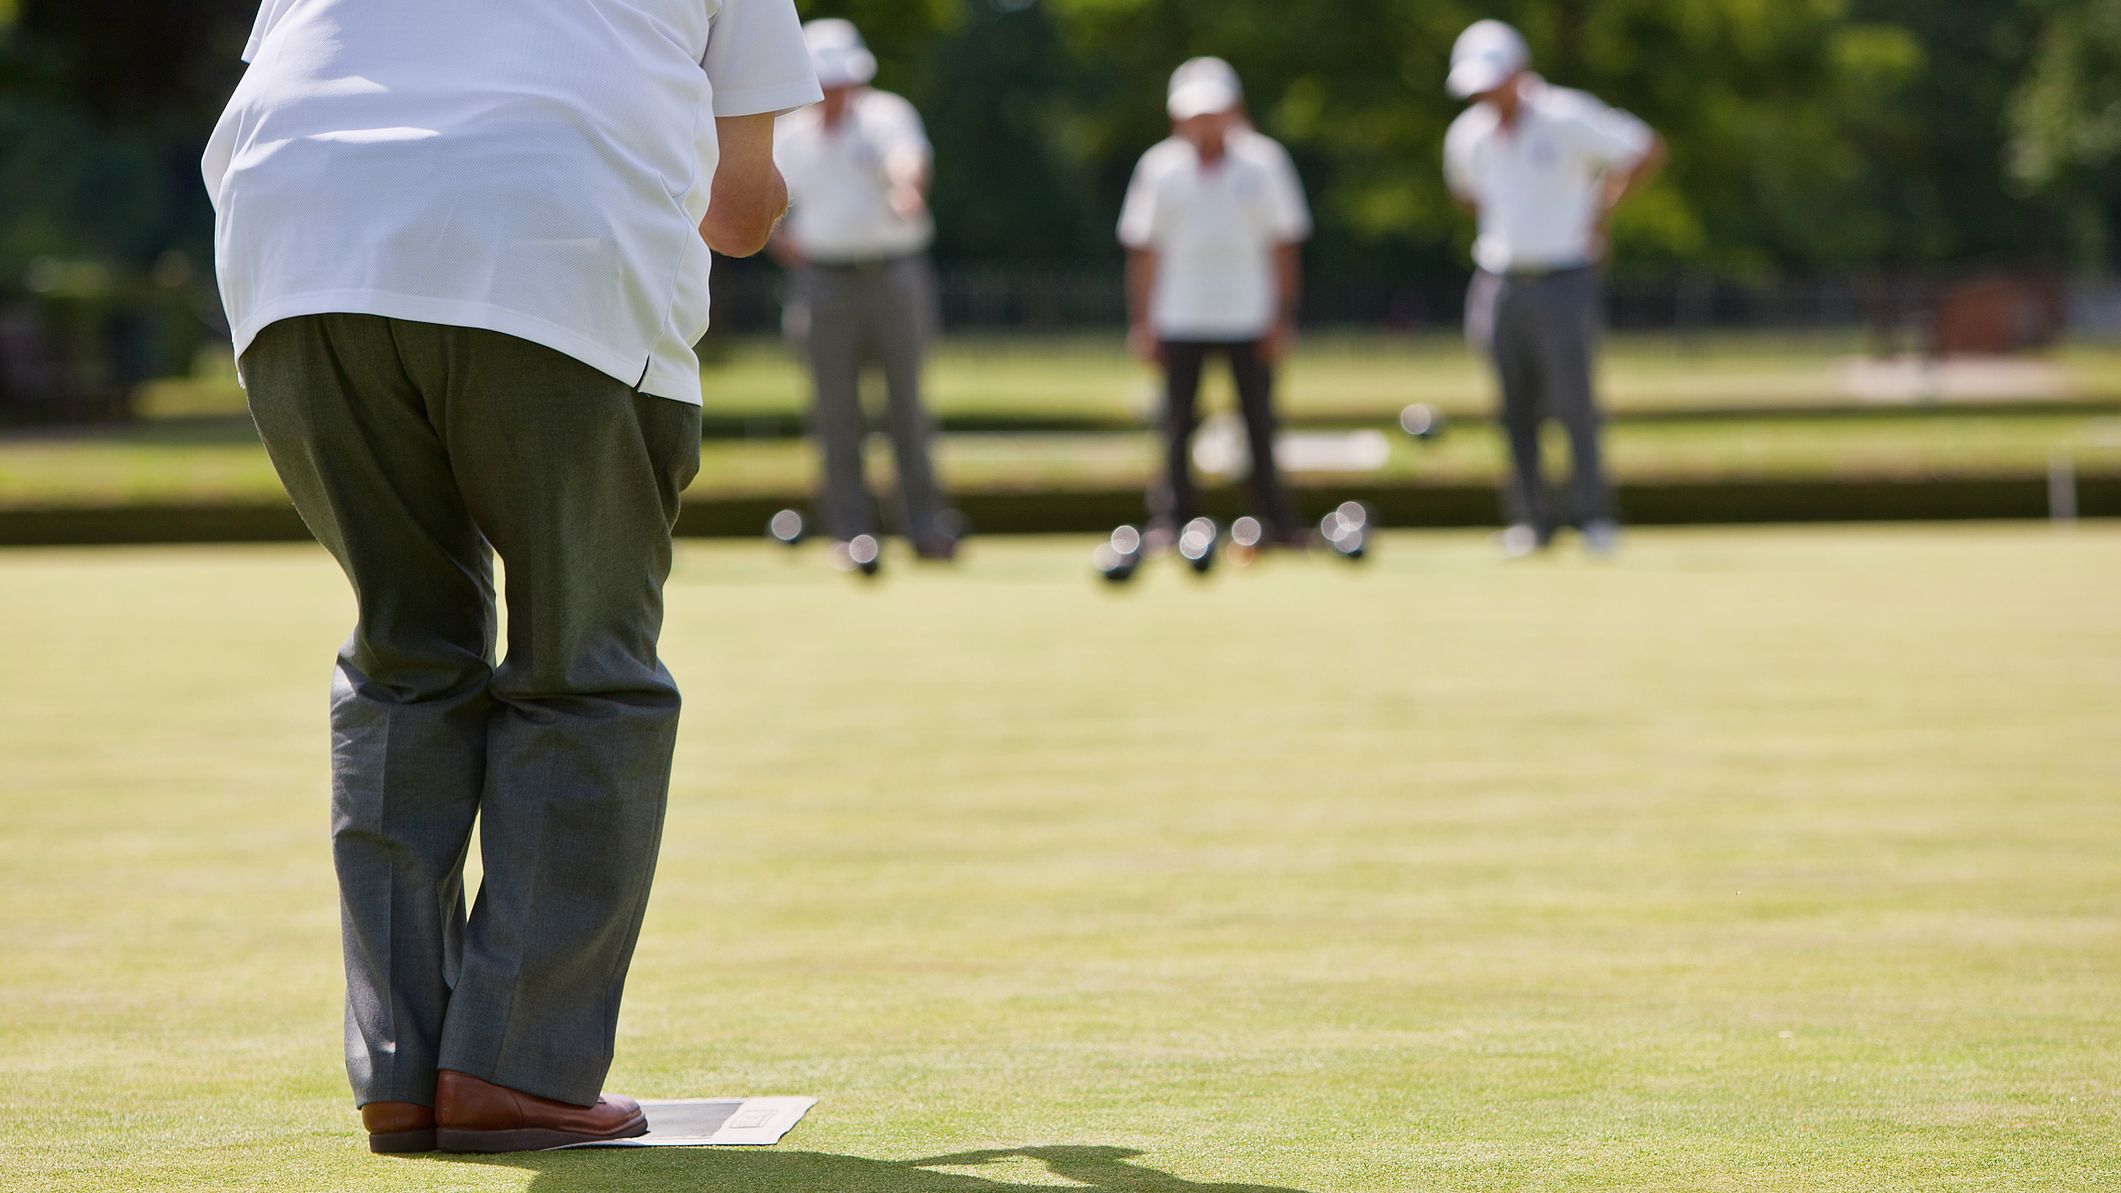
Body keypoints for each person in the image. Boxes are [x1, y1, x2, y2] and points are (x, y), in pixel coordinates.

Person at [201, 0, 818, 1155]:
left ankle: (397, 1067)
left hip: (294, 247)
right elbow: (740, 214)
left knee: (403, 655)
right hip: (549, 243)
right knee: (587, 668)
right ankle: (514, 1068)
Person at [1443, 20, 1665, 557]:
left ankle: (1592, 518)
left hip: (1565, 276)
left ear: (1518, 73)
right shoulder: (1467, 133)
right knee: (1513, 405)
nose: (1483, 94)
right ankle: (1532, 521)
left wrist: (1600, 212)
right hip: (1498, 280)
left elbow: (1643, 148)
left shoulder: (1566, 115)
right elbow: (1467, 195)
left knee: (1574, 403)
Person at [773, 19, 956, 569]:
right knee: (834, 413)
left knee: (907, 405)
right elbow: (769, 199)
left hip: (894, 273)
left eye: (843, 81)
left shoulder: (887, 115)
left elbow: (907, 161)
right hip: (823, 281)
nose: (836, 92)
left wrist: (905, 189)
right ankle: (851, 534)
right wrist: (786, 246)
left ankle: (925, 526)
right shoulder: (790, 133)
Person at [1119, 57, 1312, 547]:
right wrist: (1143, 321)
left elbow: (1284, 242)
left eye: (1213, 112)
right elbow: (1144, 249)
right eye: (1193, 114)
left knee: (1260, 420)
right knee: (1176, 422)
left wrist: (1281, 316)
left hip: (1250, 313)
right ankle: (1172, 521)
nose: (1203, 123)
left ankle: (1275, 520)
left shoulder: (1265, 162)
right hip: (1179, 313)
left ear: (1234, 111)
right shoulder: (1158, 168)